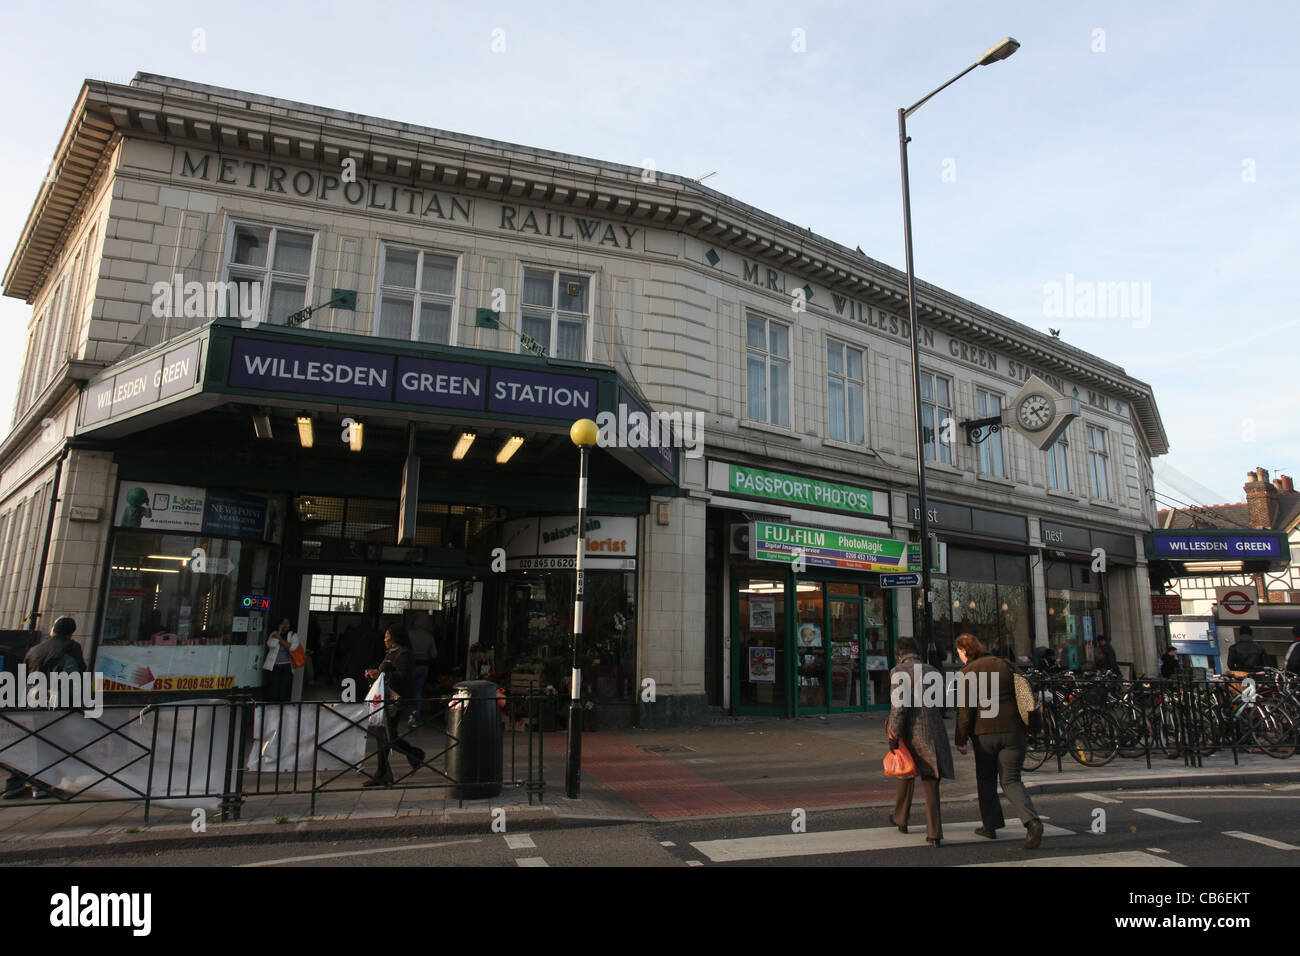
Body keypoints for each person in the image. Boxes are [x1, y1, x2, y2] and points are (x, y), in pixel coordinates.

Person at [954, 632, 1044, 850]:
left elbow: (965, 711)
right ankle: (1032, 822)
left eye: (959, 653)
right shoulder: (1006, 665)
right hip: (1014, 730)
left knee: (986, 780)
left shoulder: (967, 672)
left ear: (965, 651)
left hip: (984, 733)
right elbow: (1025, 693)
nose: (959, 657)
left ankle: (990, 825)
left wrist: (961, 738)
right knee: (1011, 780)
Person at [885, 637, 954, 847]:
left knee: (906, 772)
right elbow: (941, 702)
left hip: (910, 731)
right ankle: (934, 832)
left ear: (900, 653)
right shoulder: (932, 670)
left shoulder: (899, 672)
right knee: (931, 780)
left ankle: (901, 817)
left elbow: (899, 707)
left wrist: (893, 734)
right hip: (934, 730)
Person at [9, 617, 86, 799]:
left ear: (53, 630)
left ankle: (14, 784)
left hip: (32, 700)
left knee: (29, 744)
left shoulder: (35, 649)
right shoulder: (70, 648)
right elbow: (73, 676)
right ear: (70, 632)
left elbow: (22, 674)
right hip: (54, 703)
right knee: (49, 744)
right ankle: (43, 785)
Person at [362, 625, 425, 787]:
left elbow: (404, 676)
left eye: (387, 637)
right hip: (384, 699)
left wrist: (382, 674)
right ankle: (411, 756)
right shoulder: (390, 653)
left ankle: (385, 772)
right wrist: (375, 673)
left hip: (394, 702)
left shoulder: (404, 654)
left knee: (386, 736)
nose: (385, 640)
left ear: (394, 638)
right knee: (385, 736)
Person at [407, 614, 437, 730]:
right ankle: (415, 716)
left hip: (411, 665)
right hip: (424, 666)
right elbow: (434, 654)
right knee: (418, 691)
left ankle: (410, 714)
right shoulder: (429, 637)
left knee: (410, 690)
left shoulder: (410, 635)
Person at [263, 618, 298, 702]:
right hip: (274, 665)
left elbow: (292, 648)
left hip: (287, 666)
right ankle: (272, 707)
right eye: (283, 622)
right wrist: (279, 632)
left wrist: (280, 639)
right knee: (274, 688)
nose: (285, 625)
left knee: (284, 689)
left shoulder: (292, 635)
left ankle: (282, 708)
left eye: (287, 623)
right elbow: (271, 644)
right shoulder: (274, 633)